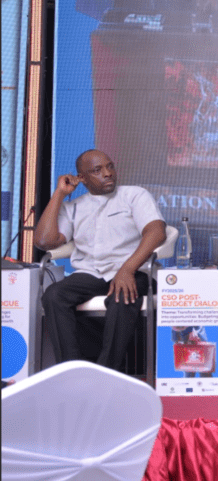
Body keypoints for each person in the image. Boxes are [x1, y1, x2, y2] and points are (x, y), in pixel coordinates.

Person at [36, 150, 167, 370]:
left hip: (133, 271)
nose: (107, 173)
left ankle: (107, 371)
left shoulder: (134, 195)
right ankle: (71, 370)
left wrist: (127, 269)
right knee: (54, 295)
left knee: (122, 295)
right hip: (90, 274)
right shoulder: (73, 207)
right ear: (82, 178)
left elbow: (156, 232)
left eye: (110, 166)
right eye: (97, 170)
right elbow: (44, 241)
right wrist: (59, 194)